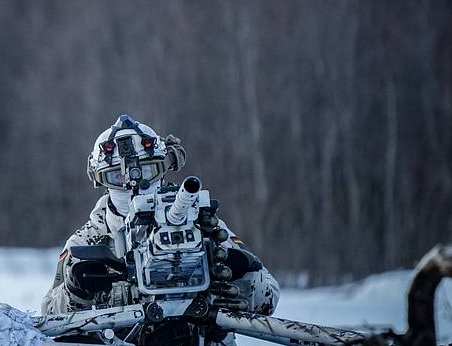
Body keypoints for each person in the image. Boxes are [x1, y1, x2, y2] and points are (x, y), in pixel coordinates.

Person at [41, 115, 279, 318]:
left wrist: (242, 277)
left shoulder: (199, 223)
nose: (132, 185)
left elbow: (269, 298)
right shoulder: (86, 242)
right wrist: (74, 292)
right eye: (116, 177)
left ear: (163, 168)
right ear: (100, 180)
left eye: (147, 171)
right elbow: (49, 314)